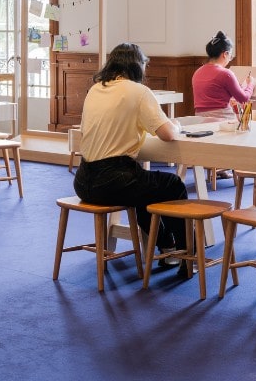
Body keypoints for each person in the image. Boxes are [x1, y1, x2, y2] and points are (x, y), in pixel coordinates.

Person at [73, 42, 190, 277]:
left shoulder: (96, 88)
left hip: (83, 180)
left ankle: (166, 245)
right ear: (138, 66)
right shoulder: (138, 92)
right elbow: (167, 134)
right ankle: (188, 254)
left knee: (145, 188)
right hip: (113, 180)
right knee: (173, 185)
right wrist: (176, 125)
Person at [191, 31, 255, 118]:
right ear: (225, 54)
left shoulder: (197, 72)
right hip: (221, 119)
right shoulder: (226, 74)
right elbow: (243, 98)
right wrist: (250, 84)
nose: (230, 59)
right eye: (230, 56)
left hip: (199, 120)